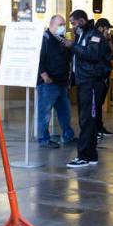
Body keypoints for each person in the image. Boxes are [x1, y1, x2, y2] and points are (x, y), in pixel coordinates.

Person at [63, 10, 111, 168]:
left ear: (82, 20)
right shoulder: (81, 34)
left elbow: (92, 54)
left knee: (87, 119)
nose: (72, 26)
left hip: (92, 82)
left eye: (74, 22)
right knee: (86, 120)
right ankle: (90, 155)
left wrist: (73, 46)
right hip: (83, 81)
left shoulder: (94, 35)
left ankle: (83, 155)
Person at [37, 14, 76, 148]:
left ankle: (68, 135)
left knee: (65, 112)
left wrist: (70, 46)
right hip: (48, 83)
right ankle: (43, 139)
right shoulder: (45, 39)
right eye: (60, 24)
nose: (63, 27)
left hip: (61, 82)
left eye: (64, 25)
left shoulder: (62, 40)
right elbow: (39, 58)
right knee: (44, 112)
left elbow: (68, 58)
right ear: (51, 24)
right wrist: (44, 76)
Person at [94, 18, 113, 138]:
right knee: (96, 103)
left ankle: (99, 127)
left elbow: (111, 53)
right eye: (107, 29)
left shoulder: (105, 39)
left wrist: (108, 39)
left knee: (100, 102)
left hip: (105, 75)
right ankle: (96, 128)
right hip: (98, 76)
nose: (108, 31)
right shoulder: (96, 39)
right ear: (101, 28)